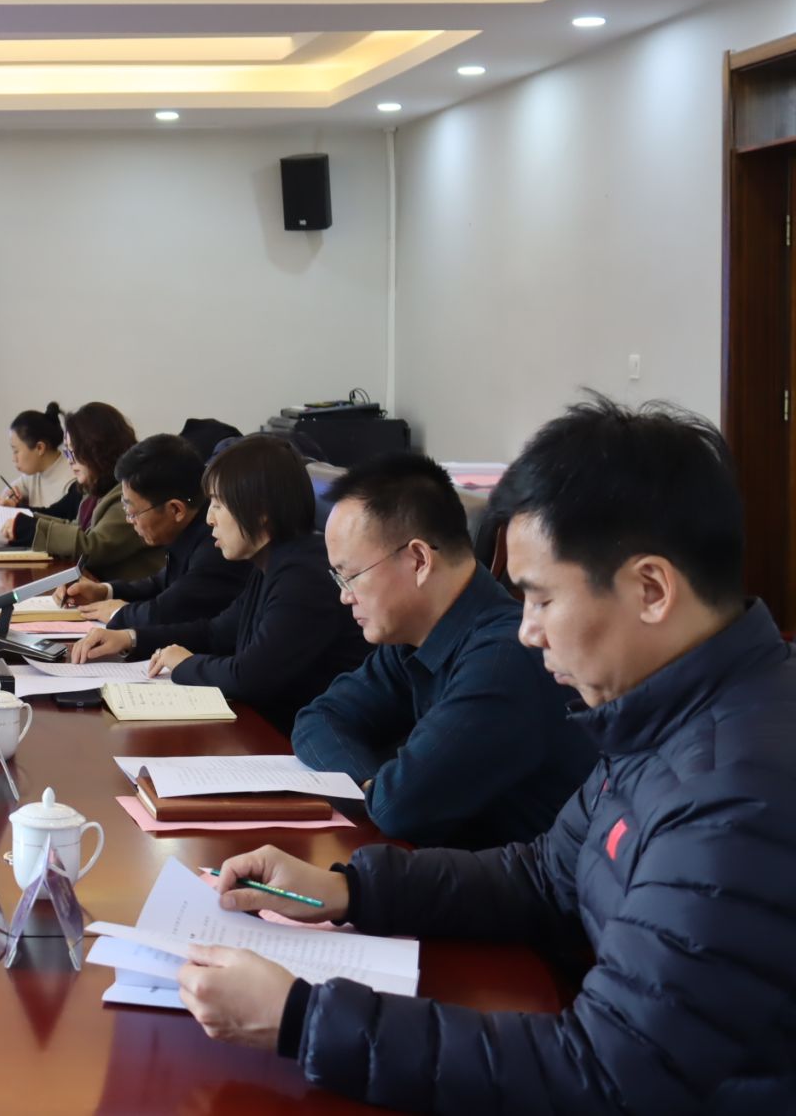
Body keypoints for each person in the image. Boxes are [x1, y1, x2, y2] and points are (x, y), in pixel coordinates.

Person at [179, 398, 796, 1113]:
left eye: (541, 599)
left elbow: (603, 1074)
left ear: (651, 590)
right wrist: (348, 890)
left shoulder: (733, 794)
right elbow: (542, 875)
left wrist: (302, 1018)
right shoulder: (662, 714)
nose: (528, 631)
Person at [290, 452, 594, 849]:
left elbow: (399, 807)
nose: (345, 596)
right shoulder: (415, 634)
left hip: (515, 882)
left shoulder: (505, 657)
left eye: (350, 576)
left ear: (419, 560)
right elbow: (318, 718)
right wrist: (370, 786)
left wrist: (380, 793)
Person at [73, 434, 368, 733]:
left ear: (261, 513)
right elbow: (216, 632)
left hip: (305, 737)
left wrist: (185, 663)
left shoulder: (304, 577)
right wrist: (131, 638)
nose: (209, 519)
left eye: (218, 505)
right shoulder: (272, 562)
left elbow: (249, 676)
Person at [61, 434, 250, 650]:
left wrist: (118, 613)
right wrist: (103, 591)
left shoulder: (216, 546)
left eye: (133, 512)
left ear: (175, 510)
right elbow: (160, 583)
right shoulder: (190, 529)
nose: (129, 520)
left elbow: (169, 611)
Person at [7, 402, 164, 584]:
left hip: (131, 596)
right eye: (67, 453)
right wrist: (28, 519)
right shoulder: (98, 489)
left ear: (98, 449)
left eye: (74, 452)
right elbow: (77, 527)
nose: (70, 461)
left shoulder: (131, 491)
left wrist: (33, 529)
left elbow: (93, 548)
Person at [0, 402, 80, 519]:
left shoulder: (71, 483)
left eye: (16, 451)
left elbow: (56, 521)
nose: (13, 459)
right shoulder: (34, 473)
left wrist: (19, 508)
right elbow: (8, 493)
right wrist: (8, 498)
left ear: (40, 448)